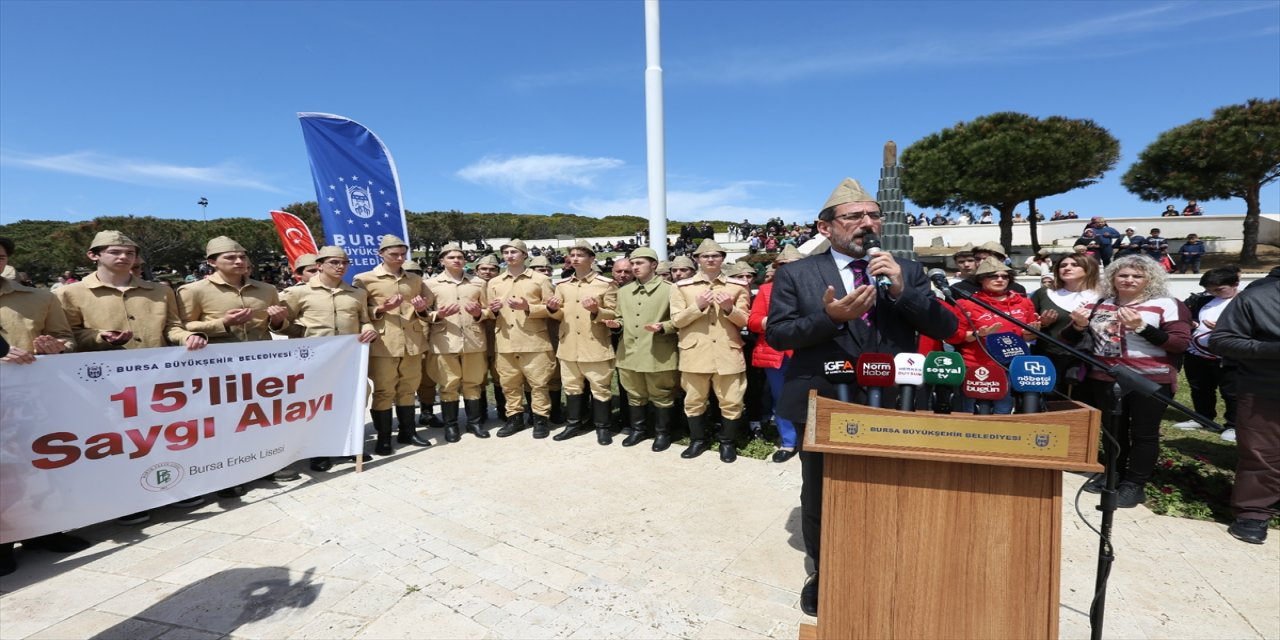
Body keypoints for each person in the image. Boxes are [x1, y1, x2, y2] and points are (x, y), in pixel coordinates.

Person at [766, 178, 958, 617]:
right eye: (854, 216)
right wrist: (830, 318)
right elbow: (778, 334)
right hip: (824, 398)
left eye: (873, 216)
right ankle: (825, 569)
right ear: (827, 226)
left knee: (889, 486)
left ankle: (886, 560)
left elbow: (944, 329)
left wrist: (902, 293)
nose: (866, 224)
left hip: (894, 401)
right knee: (820, 490)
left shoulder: (905, 269)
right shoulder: (797, 273)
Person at [1063, 255, 1191, 508]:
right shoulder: (1102, 303)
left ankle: (1135, 484)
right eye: (1123, 275)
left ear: (1149, 279)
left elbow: (1180, 343)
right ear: (1112, 278)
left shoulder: (1167, 304)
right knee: (1113, 431)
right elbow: (1068, 338)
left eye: (1137, 276)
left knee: (1143, 433)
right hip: (1106, 377)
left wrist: (1142, 327)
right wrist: (1078, 325)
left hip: (1150, 380)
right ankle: (1113, 473)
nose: (1129, 280)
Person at [0, 236, 92, 576]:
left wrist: (57, 347)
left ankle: (44, 531)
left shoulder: (38, 298)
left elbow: (65, 336)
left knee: (40, 463)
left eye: (0, 256)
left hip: (32, 399)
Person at [177, 236, 292, 492]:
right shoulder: (193, 291)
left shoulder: (266, 290)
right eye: (230, 257)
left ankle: (268, 465)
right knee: (224, 422)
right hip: (217, 369)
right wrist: (222, 324)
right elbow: (182, 328)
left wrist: (278, 320)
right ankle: (230, 475)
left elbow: (276, 326)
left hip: (261, 368)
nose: (239, 261)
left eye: (242, 256)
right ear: (212, 262)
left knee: (262, 417)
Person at [281, 246, 379, 471]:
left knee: (354, 400)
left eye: (344, 263)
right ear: (319, 265)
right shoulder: (298, 293)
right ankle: (320, 451)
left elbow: (364, 319)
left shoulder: (357, 293)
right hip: (315, 361)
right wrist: (298, 330)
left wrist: (369, 329)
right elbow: (283, 324)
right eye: (334, 262)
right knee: (319, 405)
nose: (340, 267)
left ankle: (350, 446)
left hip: (349, 359)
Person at [1209, 274, 1280, 544]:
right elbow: (1221, 340)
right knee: (1262, 454)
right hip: (1267, 391)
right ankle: (1253, 512)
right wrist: (1272, 349)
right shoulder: (1257, 298)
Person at [670, 238, 751, 463]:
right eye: (705, 256)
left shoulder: (737, 286)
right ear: (697, 259)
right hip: (695, 352)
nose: (710, 259)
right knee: (694, 399)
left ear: (723, 258)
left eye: (715, 255)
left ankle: (727, 442)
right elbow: (676, 320)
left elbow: (744, 320)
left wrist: (729, 308)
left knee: (732, 400)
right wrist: (698, 307)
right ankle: (698, 440)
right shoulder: (681, 287)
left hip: (728, 351)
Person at [354, 235, 434, 454]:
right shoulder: (364, 279)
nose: (399, 258)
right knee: (384, 390)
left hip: (412, 342)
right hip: (384, 343)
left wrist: (422, 307)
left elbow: (427, 305)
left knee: (408, 388)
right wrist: (381, 309)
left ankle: (408, 432)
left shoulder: (415, 280)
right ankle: (384, 437)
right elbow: (359, 312)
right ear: (381, 254)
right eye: (393, 254)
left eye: (402, 254)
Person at [603, 247, 679, 450]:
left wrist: (664, 327)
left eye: (639, 263)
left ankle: (663, 433)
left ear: (653, 265)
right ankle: (638, 430)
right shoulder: (624, 291)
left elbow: (680, 319)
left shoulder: (670, 289)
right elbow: (620, 317)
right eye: (633, 263)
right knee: (634, 394)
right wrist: (616, 324)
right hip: (629, 352)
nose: (634, 267)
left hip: (658, 352)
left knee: (662, 394)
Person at [943, 258, 1039, 414]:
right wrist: (976, 335)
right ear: (981, 279)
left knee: (1003, 412)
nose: (1000, 279)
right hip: (975, 365)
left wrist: (1031, 333)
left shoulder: (1023, 303)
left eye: (1005, 276)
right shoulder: (966, 303)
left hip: (1009, 366)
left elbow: (1028, 338)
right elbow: (953, 337)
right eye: (993, 276)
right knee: (970, 413)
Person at [545, 241, 618, 444]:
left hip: (595, 344)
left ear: (592, 259)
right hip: (569, 344)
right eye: (573, 255)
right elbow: (560, 314)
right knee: (571, 387)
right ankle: (573, 424)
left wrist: (596, 310)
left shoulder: (605, 284)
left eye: (580, 255)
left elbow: (614, 313)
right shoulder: (562, 285)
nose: (575, 258)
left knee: (600, 387)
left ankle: (603, 427)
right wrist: (552, 310)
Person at [486, 239, 556, 438]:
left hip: (534, 341)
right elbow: (489, 313)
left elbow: (552, 310)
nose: (509, 255)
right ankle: (514, 418)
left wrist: (528, 308)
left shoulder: (540, 280)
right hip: (506, 341)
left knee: (539, 383)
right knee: (509, 384)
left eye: (514, 252)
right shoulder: (495, 282)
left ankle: (540, 419)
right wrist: (492, 311)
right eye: (506, 252)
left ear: (524, 255)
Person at [424, 243, 491, 441]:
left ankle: (474, 423)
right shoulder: (431, 284)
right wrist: (438, 314)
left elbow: (489, 310)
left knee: (474, 383)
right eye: (451, 257)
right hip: (444, 340)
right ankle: (451, 425)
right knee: (448, 384)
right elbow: (422, 314)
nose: (456, 260)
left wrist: (480, 313)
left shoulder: (478, 283)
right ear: (442, 260)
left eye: (460, 257)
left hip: (473, 340)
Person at [748, 245, 802, 462]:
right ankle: (788, 442)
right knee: (781, 399)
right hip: (776, 353)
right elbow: (753, 321)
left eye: (794, 264)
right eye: (783, 265)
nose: (788, 268)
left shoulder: (816, 285)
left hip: (806, 351)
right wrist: (773, 323)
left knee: (812, 398)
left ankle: (810, 441)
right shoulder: (766, 290)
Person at [1172, 268, 1240, 436]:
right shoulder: (1204, 300)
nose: (1213, 293)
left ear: (1235, 284)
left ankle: (1233, 425)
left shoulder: (1245, 301)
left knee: (1231, 391)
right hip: (1197, 353)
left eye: (1218, 289)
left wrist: (1222, 329)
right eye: (1209, 290)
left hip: (1227, 355)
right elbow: (1194, 317)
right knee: (1200, 387)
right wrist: (1193, 323)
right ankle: (1203, 417)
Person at [1030, 253, 1101, 394]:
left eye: (1075, 265)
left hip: (1087, 359)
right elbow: (1028, 323)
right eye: (1063, 265)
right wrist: (1042, 323)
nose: (1067, 268)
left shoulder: (1102, 296)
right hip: (1048, 357)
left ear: (1089, 269)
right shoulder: (1044, 293)